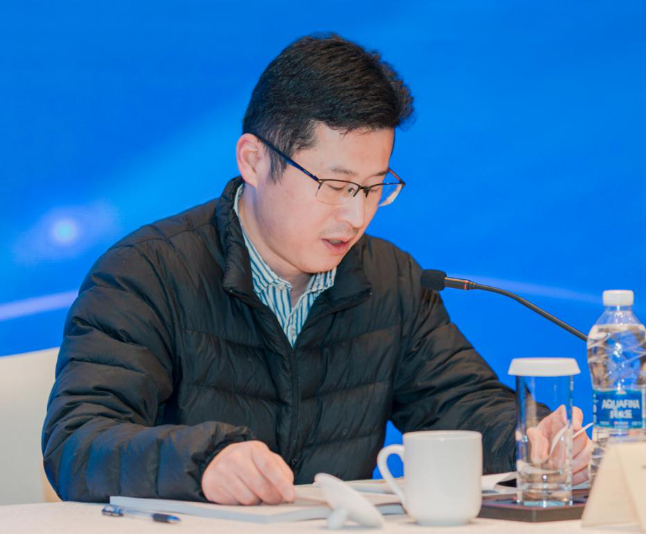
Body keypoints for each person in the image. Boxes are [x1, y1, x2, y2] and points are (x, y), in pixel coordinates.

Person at [42, 33, 591, 505]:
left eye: (373, 188)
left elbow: (461, 404)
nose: (355, 216)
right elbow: (78, 442)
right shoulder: (147, 273)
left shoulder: (393, 282)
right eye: (335, 185)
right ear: (254, 160)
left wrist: (529, 439)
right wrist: (203, 462)